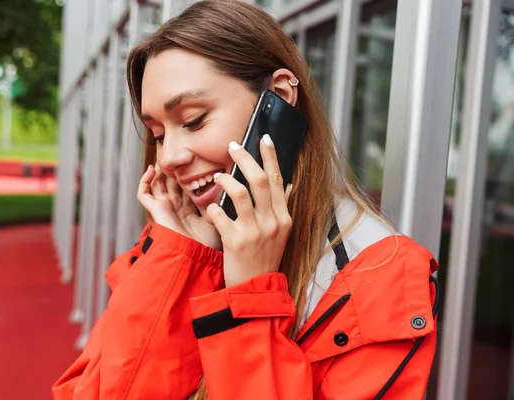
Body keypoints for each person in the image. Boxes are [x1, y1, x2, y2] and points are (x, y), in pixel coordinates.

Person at [53, 1, 439, 399]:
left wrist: (252, 298)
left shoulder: (382, 276)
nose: (168, 158)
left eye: (193, 120)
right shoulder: (175, 245)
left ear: (278, 98)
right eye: (159, 134)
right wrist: (181, 264)